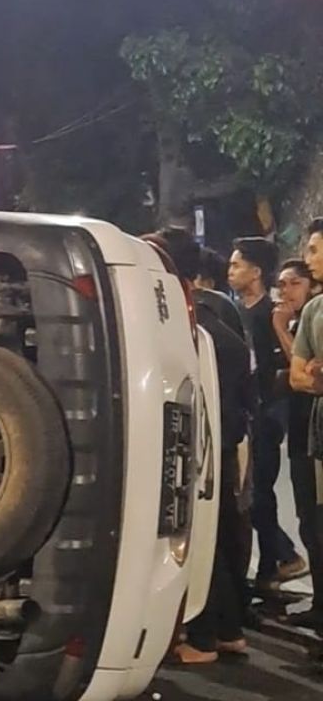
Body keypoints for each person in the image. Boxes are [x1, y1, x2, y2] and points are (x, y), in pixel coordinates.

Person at [149, 228, 251, 663]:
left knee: (197, 539)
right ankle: (227, 630)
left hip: (198, 449)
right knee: (220, 534)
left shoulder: (191, 327)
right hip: (221, 446)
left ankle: (204, 637)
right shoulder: (216, 318)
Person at [230, 237, 307, 589]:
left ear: (255, 271)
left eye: (237, 265)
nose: (231, 271)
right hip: (247, 412)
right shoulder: (235, 311)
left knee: (259, 491)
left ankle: (283, 558)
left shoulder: (272, 315)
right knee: (251, 493)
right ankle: (273, 564)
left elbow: (286, 368)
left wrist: (265, 409)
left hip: (268, 413)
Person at [273, 258, 323, 631]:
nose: (285, 291)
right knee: (311, 519)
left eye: (293, 283)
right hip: (307, 432)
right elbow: (298, 375)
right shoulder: (312, 313)